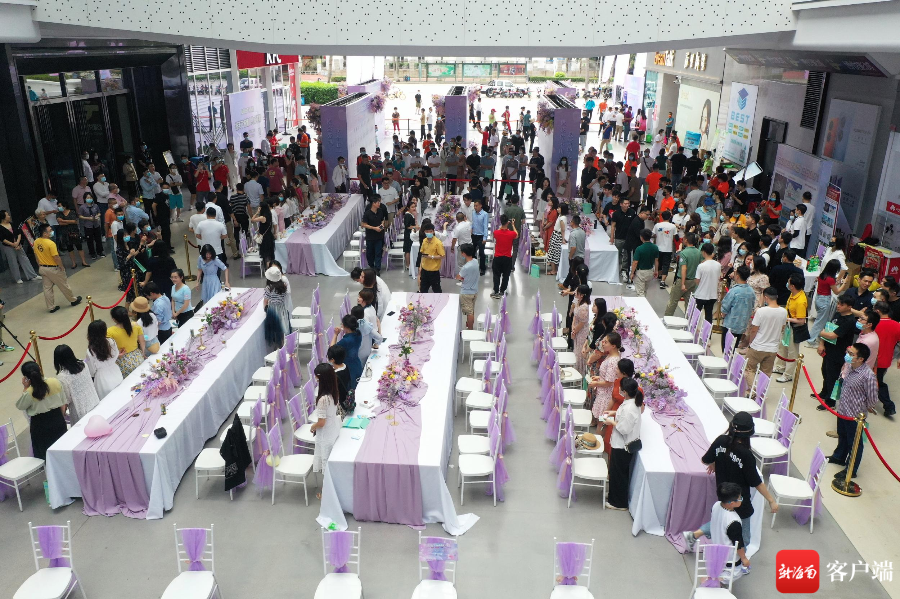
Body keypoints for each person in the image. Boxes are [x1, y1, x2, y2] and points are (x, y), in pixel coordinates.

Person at [700, 412, 779, 548]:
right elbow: (756, 482)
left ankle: (695, 534)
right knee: (744, 538)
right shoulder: (746, 455)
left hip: (723, 495)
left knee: (721, 522)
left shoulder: (720, 440)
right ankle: (740, 557)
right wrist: (771, 500)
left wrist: (714, 462)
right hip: (739, 501)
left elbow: (705, 459)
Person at [830, 343, 879, 479]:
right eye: (848, 352)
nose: (848, 355)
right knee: (842, 435)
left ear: (860, 359)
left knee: (855, 443)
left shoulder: (868, 376)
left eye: (851, 354)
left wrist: (862, 408)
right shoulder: (850, 367)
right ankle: (839, 457)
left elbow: (873, 399)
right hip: (843, 410)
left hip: (855, 416)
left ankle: (851, 469)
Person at [682, 482, 752, 578]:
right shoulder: (734, 521)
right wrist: (744, 558)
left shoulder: (716, 505)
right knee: (737, 572)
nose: (741, 499)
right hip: (728, 558)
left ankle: (716, 576)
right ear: (732, 503)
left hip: (716, 550)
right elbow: (738, 544)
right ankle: (717, 579)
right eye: (740, 498)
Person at [602, 377, 643, 510]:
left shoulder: (630, 407)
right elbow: (623, 416)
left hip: (622, 446)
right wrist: (614, 413)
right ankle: (613, 496)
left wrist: (611, 422)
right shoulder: (631, 402)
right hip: (620, 444)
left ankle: (618, 503)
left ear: (624, 391)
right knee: (616, 472)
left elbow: (624, 428)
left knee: (619, 474)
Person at [16, 361, 68, 460]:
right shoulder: (54, 382)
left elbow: (20, 406)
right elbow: (63, 402)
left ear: (26, 378)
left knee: (45, 456)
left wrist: (25, 388)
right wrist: (61, 417)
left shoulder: (29, 392)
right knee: (62, 449)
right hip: (57, 419)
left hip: (40, 426)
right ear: (40, 369)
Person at [817, 294, 858, 409]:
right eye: (838, 303)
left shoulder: (849, 321)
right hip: (828, 349)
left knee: (832, 376)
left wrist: (820, 332)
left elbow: (832, 335)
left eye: (841, 304)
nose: (838, 306)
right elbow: (827, 327)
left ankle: (830, 402)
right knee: (825, 371)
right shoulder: (837, 314)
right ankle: (824, 393)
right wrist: (821, 343)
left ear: (849, 307)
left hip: (838, 353)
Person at [33, 223, 82, 313]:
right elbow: (56, 257)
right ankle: (73, 300)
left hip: (43, 268)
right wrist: (61, 266)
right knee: (64, 285)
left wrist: (39, 265)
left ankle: (51, 307)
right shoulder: (50, 243)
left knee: (47, 288)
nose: (52, 231)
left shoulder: (36, 242)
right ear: (45, 233)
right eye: (50, 230)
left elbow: (36, 255)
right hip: (53, 268)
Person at [743, 287, 787, 378]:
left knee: (749, 370)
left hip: (758, 346)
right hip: (772, 348)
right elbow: (782, 328)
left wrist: (750, 343)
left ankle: (751, 387)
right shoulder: (784, 311)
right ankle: (762, 388)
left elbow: (754, 330)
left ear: (766, 297)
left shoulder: (761, 311)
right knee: (766, 374)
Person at [772, 275, 810, 383]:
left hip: (794, 328)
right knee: (783, 346)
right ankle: (780, 367)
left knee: (792, 351)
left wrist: (787, 319)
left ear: (792, 286)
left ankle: (788, 374)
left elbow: (801, 320)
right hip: (788, 326)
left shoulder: (800, 301)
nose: (787, 284)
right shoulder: (793, 294)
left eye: (788, 282)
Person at [310, 362, 342, 485]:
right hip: (333, 428)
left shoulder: (323, 399)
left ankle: (327, 491)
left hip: (326, 433)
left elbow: (321, 422)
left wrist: (313, 426)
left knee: (326, 464)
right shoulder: (334, 391)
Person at [54, 344, 100, 424]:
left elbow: (66, 399)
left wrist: (62, 413)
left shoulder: (62, 377)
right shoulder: (83, 364)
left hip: (80, 411)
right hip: (94, 401)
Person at [589, 331, 623, 424]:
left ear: (613, 346)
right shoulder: (610, 354)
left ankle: (600, 432)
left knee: (602, 421)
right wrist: (599, 377)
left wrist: (596, 383)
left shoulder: (613, 361)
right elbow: (609, 376)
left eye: (606, 342)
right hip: (603, 392)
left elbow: (610, 382)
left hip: (606, 395)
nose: (603, 344)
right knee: (601, 420)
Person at [84, 319, 124, 399]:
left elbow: (91, 369)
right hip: (116, 373)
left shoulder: (90, 350)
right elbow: (116, 355)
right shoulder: (111, 341)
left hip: (102, 380)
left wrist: (85, 361)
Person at [664, 233, 701, 317]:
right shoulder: (698, 252)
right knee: (689, 302)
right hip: (693, 281)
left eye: (683, 238)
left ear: (686, 240)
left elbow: (684, 269)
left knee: (673, 301)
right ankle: (688, 320)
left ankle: (667, 318)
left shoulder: (684, 253)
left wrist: (683, 283)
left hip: (682, 280)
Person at [720, 265, 756, 351]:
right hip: (742, 325)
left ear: (737, 276)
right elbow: (752, 306)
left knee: (725, 349)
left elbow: (725, 307)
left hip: (730, 324)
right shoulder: (751, 291)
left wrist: (723, 315)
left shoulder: (734, 291)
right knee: (733, 348)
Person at [0, 210, 39, 283]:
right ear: (3, 217)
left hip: (18, 245)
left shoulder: (12, 224)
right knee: (13, 262)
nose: (9, 216)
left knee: (24, 259)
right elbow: (2, 239)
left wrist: (18, 242)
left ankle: (32, 275)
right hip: (8, 247)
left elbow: (19, 233)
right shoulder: (1, 228)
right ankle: (17, 278)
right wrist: (12, 244)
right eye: (7, 215)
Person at [107, 305, 145, 378]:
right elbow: (142, 341)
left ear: (114, 319)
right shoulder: (136, 325)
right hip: (138, 358)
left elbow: (109, 349)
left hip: (123, 361)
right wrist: (142, 353)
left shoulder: (110, 331)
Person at [262, 266, 291, 347]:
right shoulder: (284, 286)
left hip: (272, 310)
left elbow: (265, 301)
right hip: (282, 308)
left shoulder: (269, 288)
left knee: (274, 328)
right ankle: (284, 344)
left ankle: (278, 345)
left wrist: (265, 309)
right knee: (282, 325)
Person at [491, 214, 518, 298]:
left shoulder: (496, 232)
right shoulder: (511, 234)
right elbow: (517, 234)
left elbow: (497, 232)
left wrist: (502, 227)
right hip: (507, 258)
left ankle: (495, 291)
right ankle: (502, 291)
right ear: (508, 223)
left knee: (496, 275)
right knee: (506, 276)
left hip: (497, 257)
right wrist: (513, 225)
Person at [694, 243, 722, 322]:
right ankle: (707, 330)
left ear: (704, 252)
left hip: (701, 294)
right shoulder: (718, 265)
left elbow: (697, 280)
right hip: (712, 295)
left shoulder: (701, 266)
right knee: (709, 315)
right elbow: (718, 277)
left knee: (696, 315)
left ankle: (693, 328)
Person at [333, 315, 363, 389]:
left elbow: (332, 349)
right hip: (357, 364)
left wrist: (335, 334)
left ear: (346, 327)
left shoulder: (346, 341)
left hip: (348, 368)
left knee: (351, 388)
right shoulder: (358, 333)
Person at [628, 229, 659, 297]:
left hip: (640, 273)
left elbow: (635, 262)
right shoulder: (655, 247)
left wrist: (632, 273)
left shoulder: (639, 249)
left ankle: (642, 303)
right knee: (645, 291)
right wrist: (656, 270)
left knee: (640, 293)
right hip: (650, 271)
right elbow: (656, 260)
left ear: (641, 237)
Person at [456, 243, 479, 330]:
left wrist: (459, 277)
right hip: (475, 291)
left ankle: (470, 330)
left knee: (469, 313)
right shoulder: (476, 261)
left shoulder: (465, 267)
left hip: (466, 292)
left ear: (463, 253)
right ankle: (469, 325)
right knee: (471, 310)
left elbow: (459, 277)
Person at [361, 197, 386, 274]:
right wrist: (374, 228)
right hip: (370, 236)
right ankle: (371, 266)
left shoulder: (380, 211)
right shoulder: (367, 213)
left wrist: (382, 225)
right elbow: (364, 224)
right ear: (373, 203)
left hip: (379, 236)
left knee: (378, 252)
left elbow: (382, 220)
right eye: (378, 202)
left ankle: (377, 268)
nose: (379, 204)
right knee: (370, 253)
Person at [419, 221, 444, 293]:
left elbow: (442, 256)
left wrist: (432, 257)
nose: (428, 233)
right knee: (423, 290)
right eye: (427, 231)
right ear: (424, 232)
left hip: (434, 271)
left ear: (433, 231)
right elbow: (422, 254)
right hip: (424, 270)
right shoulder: (424, 241)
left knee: (437, 290)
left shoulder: (438, 243)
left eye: (430, 231)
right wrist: (420, 266)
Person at [250, 200, 275, 266]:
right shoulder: (269, 214)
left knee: (265, 254)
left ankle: (267, 267)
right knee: (269, 253)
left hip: (264, 238)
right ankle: (270, 266)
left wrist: (257, 212)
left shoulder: (262, 217)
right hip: (269, 235)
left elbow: (252, 220)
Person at [471, 198, 490, 275]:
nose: (475, 207)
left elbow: (485, 227)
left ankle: (482, 268)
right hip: (474, 235)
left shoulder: (485, 214)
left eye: (476, 206)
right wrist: (471, 229)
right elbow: (473, 223)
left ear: (480, 206)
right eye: (474, 206)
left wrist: (485, 238)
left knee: (481, 253)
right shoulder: (473, 213)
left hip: (481, 236)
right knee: (472, 252)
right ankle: (474, 267)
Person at [450, 211, 472, 276]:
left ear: (456, 219)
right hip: (470, 245)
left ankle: (463, 278)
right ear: (464, 218)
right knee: (468, 262)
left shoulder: (458, 228)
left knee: (461, 264)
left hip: (463, 248)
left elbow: (454, 240)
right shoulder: (468, 223)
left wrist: (452, 247)